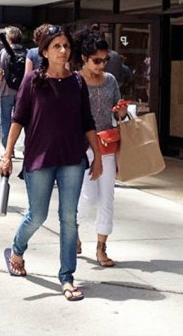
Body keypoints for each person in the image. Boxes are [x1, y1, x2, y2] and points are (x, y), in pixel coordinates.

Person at [0, 25, 103, 302]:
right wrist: (7, 154)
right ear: (44, 51)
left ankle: (67, 277)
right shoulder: (33, 80)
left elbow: (87, 122)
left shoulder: (77, 82)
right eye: (56, 46)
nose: (63, 50)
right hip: (40, 157)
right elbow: (18, 119)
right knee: (38, 215)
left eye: (66, 46)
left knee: (69, 219)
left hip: (72, 158)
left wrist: (97, 156)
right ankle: (17, 250)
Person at [74, 29, 128, 267]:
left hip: (107, 143)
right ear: (84, 58)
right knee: (88, 197)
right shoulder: (74, 81)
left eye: (105, 60)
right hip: (82, 145)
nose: (101, 64)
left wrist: (122, 111)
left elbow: (119, 113)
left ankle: (101, 247)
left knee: (107, 198)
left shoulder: (111, 81)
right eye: (97, 60)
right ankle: (72, 229)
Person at [0, 26, 25, 154]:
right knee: (21, 120)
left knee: (5, 120)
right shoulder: (26, 52)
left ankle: (8, 150)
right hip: (22, 92)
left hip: (6, 91)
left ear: (9, 38)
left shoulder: (4, 53)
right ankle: (24, 147)